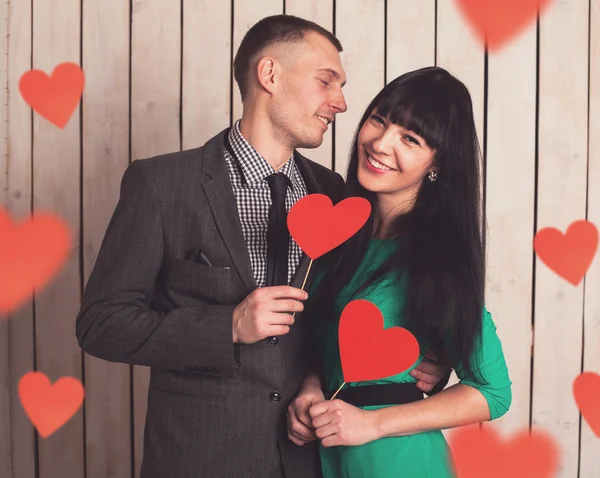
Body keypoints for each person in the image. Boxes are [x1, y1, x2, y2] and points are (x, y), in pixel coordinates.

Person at [75, 15, 449, 478]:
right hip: (200, 457)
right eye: (326, 82)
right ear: (269, 74)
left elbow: (359, 305)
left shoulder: (337, 195)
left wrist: (433, 355)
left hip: (311, 457)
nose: (341, 102)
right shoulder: (162, 185)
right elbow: (101, 324)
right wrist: (226, 326)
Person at [286, 66, 512, 478]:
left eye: (410, 139)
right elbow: (329, 340)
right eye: (379, 120)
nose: (380, 143)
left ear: (436, 163)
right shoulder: (341, 237)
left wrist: (373, 423)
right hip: (328, 456)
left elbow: (492, 391)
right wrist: (310, 387)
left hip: (398, 462)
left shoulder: (436, 255)